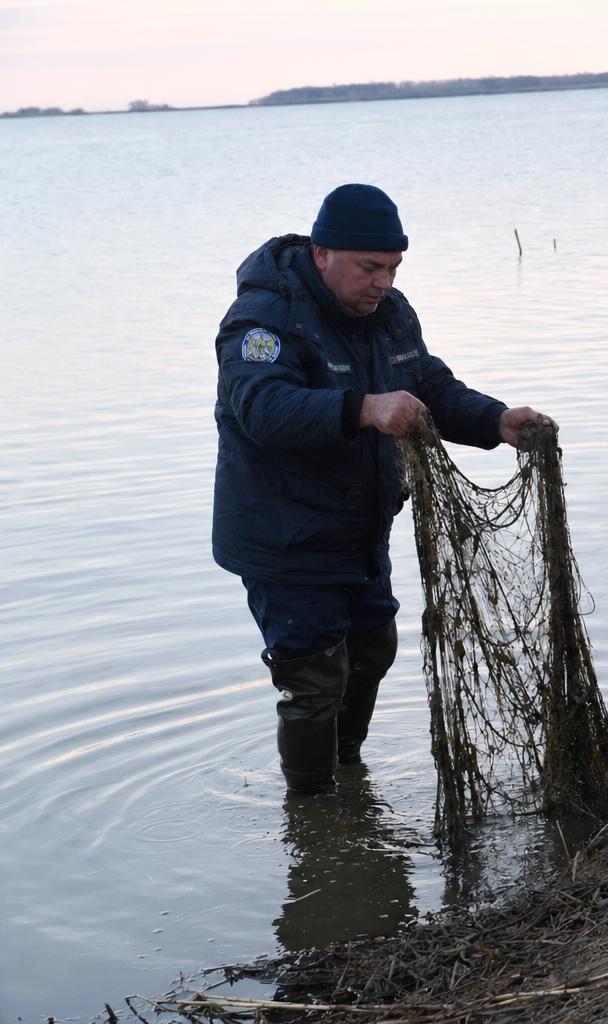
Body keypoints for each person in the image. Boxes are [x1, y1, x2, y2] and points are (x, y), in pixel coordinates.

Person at [212, 183, 549, 795]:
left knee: (373, 649)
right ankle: (312, 808)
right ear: (322, 253)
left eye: (393, 268)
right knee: (313, 679)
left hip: (359, 525)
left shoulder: (390, 314)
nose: (383, 283)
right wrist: (365, 407)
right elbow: (262, 407)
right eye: (370, 267)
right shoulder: (263, 317)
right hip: (282, 532)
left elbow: (428, 387)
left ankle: (348, 784)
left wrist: (494, 421)